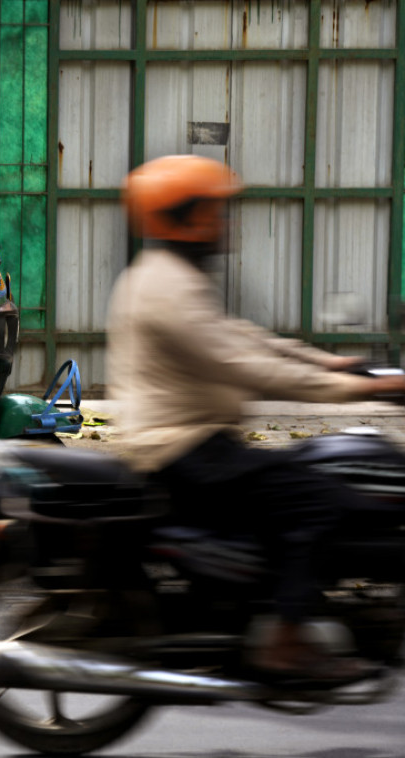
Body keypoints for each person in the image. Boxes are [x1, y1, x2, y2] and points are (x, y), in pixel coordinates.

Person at [106, 154, 405, 684]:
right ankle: (287, 644)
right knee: (316, 500)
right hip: (186, 450)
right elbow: (246, 366)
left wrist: (331, 362)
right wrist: (362, 389)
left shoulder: (168, 275)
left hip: (196, 443)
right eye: (216, 211)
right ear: (184, 216)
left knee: (306, 475)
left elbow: (243, 336)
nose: (227, 222)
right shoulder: (167, 288)